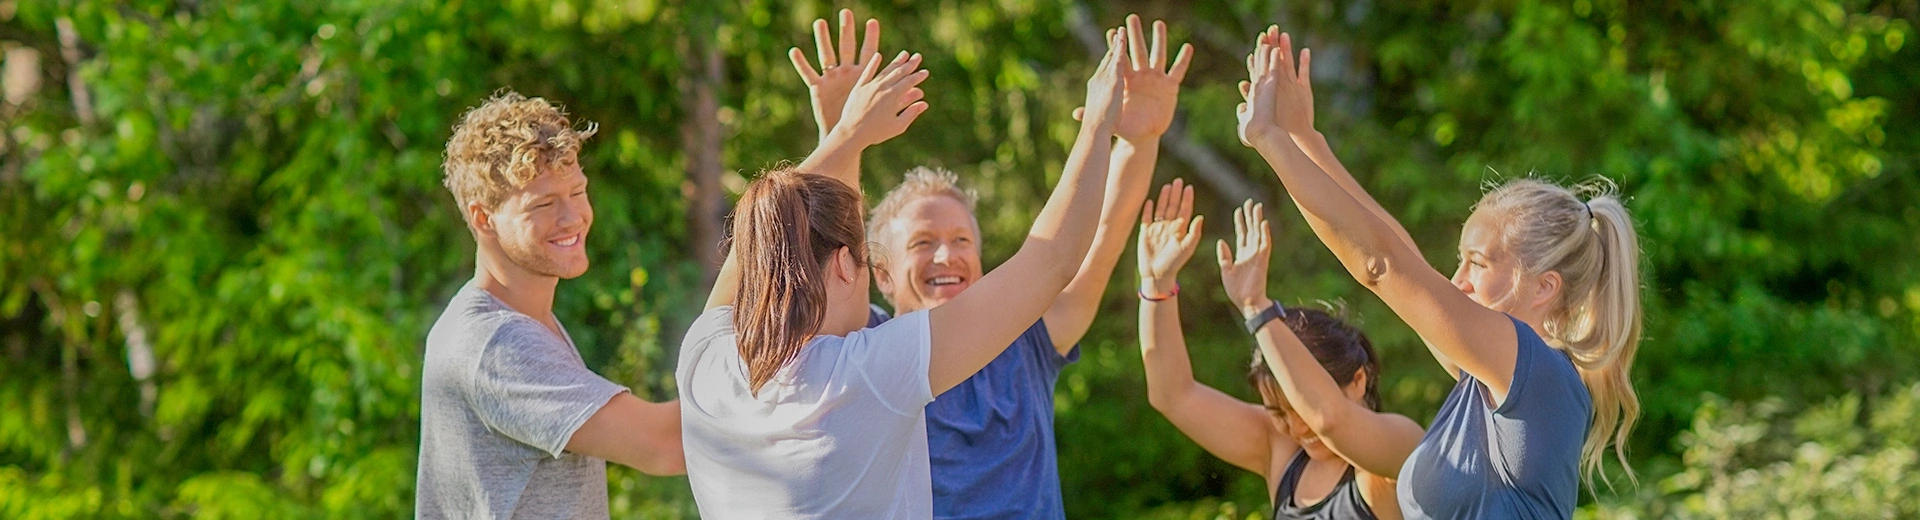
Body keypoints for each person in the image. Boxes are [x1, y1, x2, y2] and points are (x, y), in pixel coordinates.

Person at [673, 28, 1131, 519]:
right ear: (848, 266)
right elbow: (1053, 259)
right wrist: (1097, 124)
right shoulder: (864, 375)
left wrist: (845, 136)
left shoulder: (707, 361)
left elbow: (762, 238)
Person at [1235, 28, 1644, 519]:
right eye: (1460, 260)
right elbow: (1400, 255)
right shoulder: (1485, 377)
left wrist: (1269, 139)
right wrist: (1307, 141)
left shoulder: (1536, 374)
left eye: (1478, 263)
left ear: (1544, 287)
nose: (1458, 280)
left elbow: (1382, 265)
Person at [802, 12, 1191, 519]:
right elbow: (831, 257)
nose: (947, 255)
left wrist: (1139, 141)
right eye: (923, 243)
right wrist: (842, 138)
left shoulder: (1024, 342)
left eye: (961, 239)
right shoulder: (864, 350)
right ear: (881, 274)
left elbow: (1102, 241)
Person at [415, 91, 685, 519]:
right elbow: (666, 446)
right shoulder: (498, 344)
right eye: (543, 203)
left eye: (577, 191)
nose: (572, 216)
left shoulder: (518, 320)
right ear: (483, 218)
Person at [1135, 184, 1423, 520]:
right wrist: (1157, 285)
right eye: (1280, 412)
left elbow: (1330, 419)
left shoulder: (1397, 447)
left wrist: (1256, 307)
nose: (1297, 427)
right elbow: (1171, 395)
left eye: (1300, 405)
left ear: (1357, 380)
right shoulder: (1281, 448)